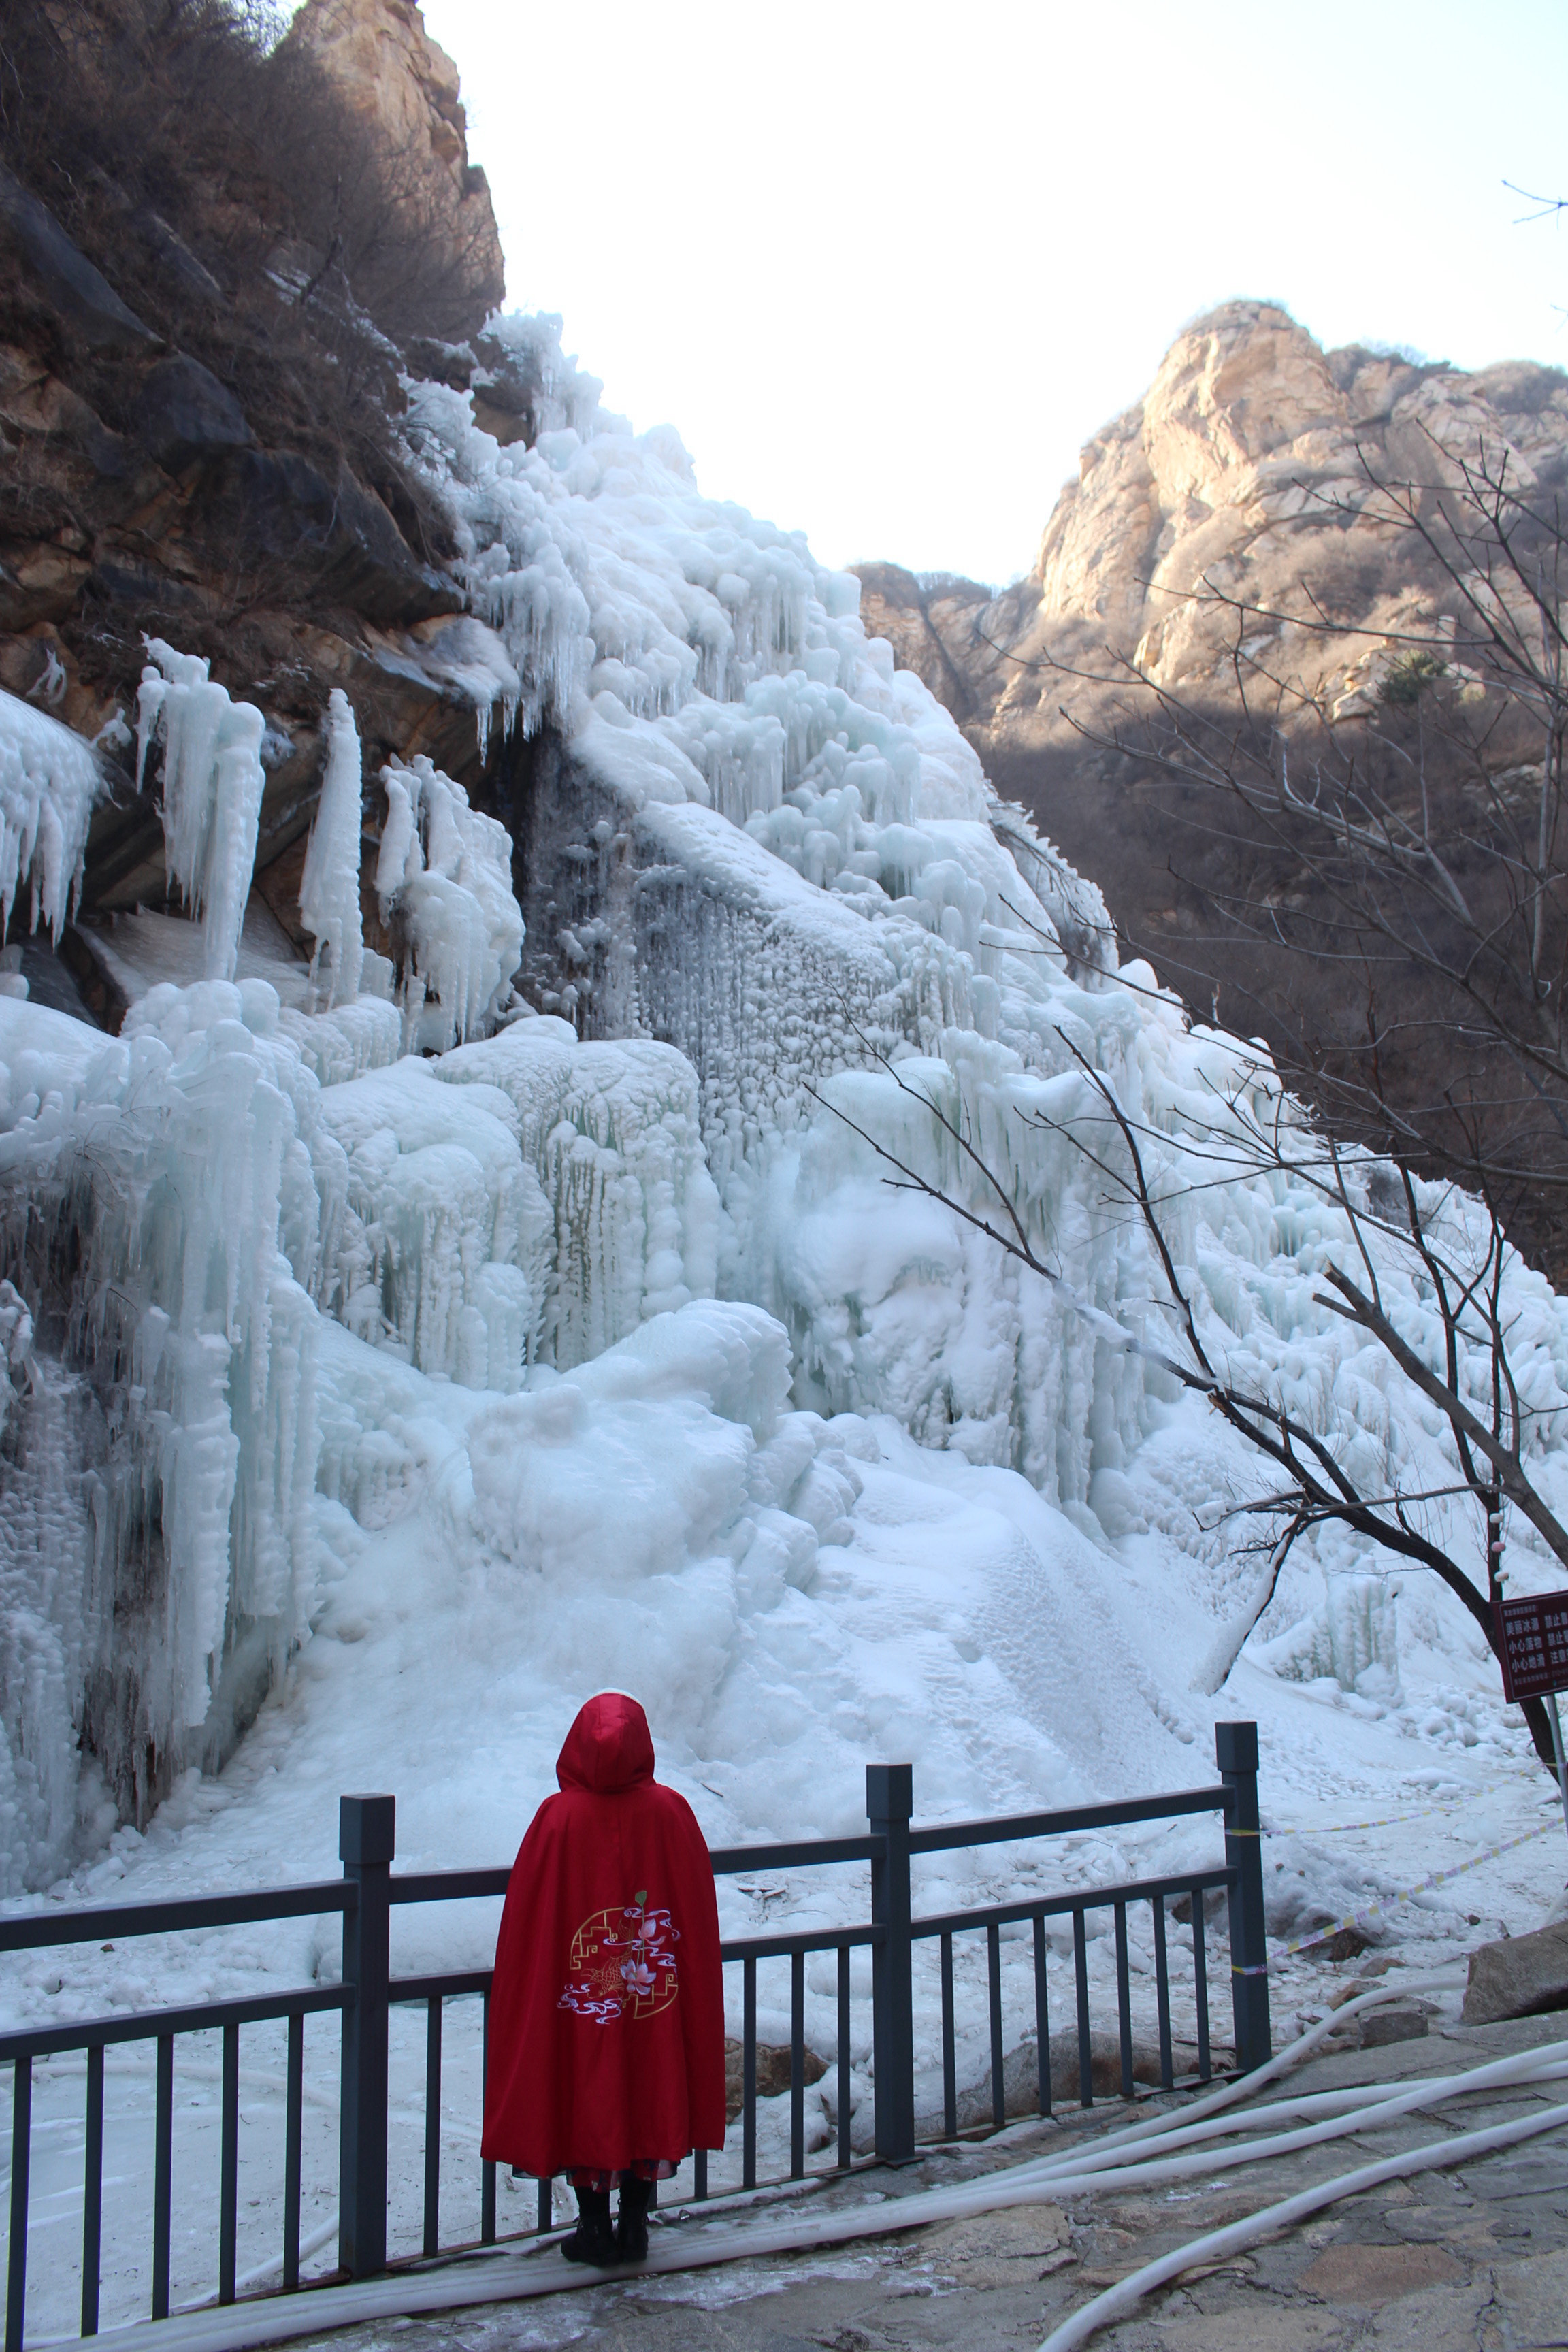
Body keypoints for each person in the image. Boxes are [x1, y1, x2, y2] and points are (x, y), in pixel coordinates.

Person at [481, 1690, 725, 2265]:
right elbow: (693, 1910)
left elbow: (530, 1920)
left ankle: (593, 2227)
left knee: (584, 2087)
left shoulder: (557, 1819)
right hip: (652, 1995)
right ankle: (636, 2222)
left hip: (582, 1996)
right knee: (650, 2084)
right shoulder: (671, 1813)